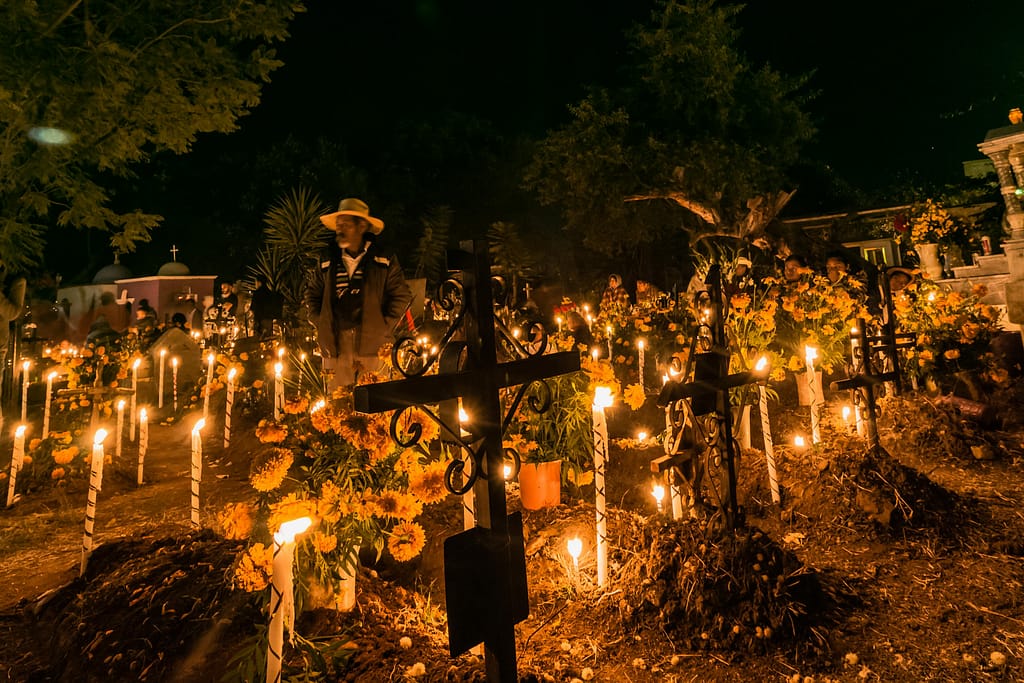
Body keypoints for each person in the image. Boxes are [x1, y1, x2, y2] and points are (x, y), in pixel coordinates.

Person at [304, 197, 412, 389]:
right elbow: (313, 293)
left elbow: (402, 295)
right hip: (335, 346)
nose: (340, 229)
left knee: (375, 404)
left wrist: (383, 327)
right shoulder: (327, 261)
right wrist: (319, 321)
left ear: (362, 226)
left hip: (373, 347)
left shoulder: (383, 260)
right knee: (337, 406)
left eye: (345, 224)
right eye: (338, 225)